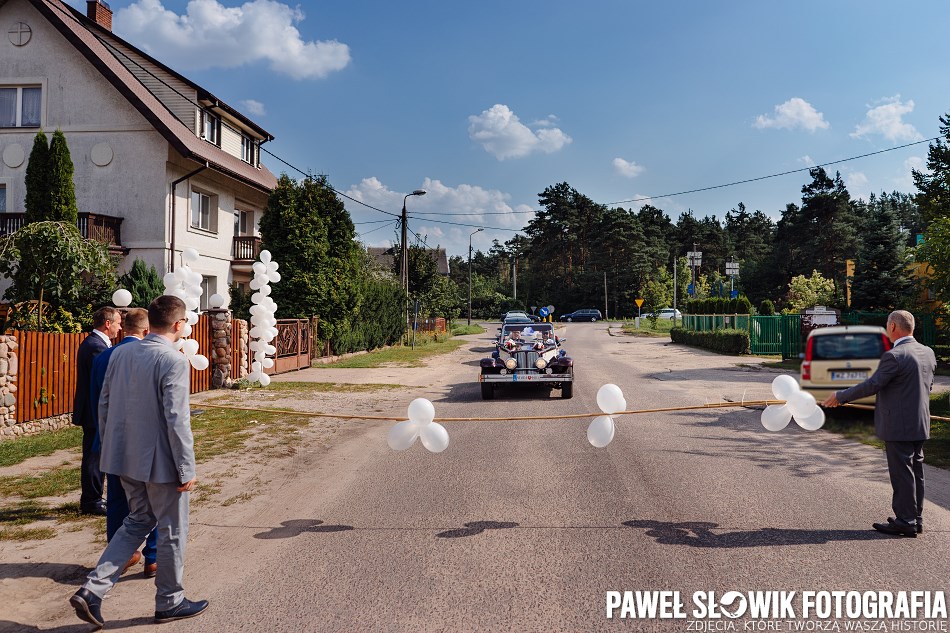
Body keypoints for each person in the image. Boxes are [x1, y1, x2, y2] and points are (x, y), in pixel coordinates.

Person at [70, 295, 208, 627]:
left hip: (122, 457)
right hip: (160, 463)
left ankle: (93, 590)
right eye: (186, 321)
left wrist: (110, 448)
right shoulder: (173, 360)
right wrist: (186, 467)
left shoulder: (120, 352)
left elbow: (104, 403)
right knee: (173, 529)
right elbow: (177, 419)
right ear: (178, 325)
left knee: (137, 520)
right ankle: (169, 601)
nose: (186, 326)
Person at [822, 310, 936, 538]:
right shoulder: (928, 353)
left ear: (893, 327)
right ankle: (916, 519)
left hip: (898, 425)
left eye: (887, 325)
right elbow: (927, 386)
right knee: (916, 471)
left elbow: (872, 385)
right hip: (920, 423)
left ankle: (906, 521)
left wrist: (841, 396)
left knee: (903, 473)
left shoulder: (894, 356)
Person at [89, 308, 158, 578]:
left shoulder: (103, 356)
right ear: (145, 330)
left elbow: (99, 400)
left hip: (111, 440)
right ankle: (153, 558)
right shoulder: (151, 355)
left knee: (117, 499)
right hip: (143, 442)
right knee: (153, 501)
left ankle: (121, 554)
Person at [73, 307, 121, 515]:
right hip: (93, 410)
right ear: (107, 324)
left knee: (97, 454)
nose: (120, 327)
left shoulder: (98, 343)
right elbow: (103, 380)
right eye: (118, 323)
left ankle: (93, 498)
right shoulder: (95, 347)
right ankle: (91, 501)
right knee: (95, 456)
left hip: (94, 408)